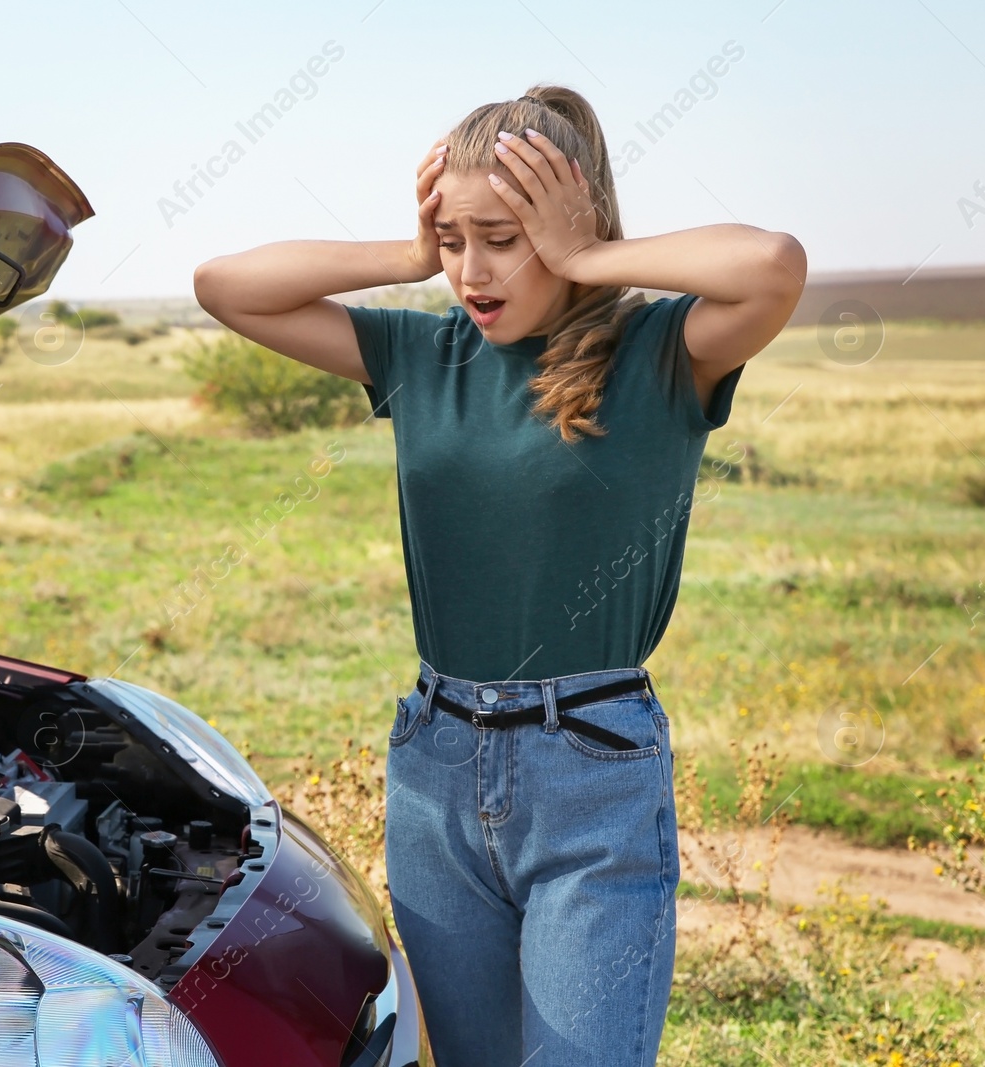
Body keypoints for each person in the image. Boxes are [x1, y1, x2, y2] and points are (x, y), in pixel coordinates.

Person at [193, 84, 805, 1066]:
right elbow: (225, 285)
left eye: (504, 237)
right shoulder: (422, 352)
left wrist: (589, 259)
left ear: (572, 224)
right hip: (433, 772)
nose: (469, 271)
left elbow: (770, 266)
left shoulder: (659, 355)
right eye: (452, 238)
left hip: (591, 777)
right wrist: (406, 254)